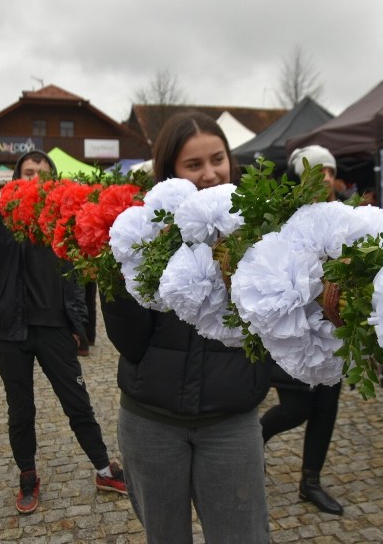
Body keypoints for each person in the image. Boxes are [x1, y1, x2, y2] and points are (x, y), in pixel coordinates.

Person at [101, 111, 272, 543]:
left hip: (230, 420)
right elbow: (131, 343)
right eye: (193, 165)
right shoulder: (146, 231)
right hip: (151, 420)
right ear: (170, 173)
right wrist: (115, 278)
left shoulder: (262, 229)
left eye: (218, 159)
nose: (211, 174)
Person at [0, 149, 126, 515]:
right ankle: (27, 475)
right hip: (10, 331)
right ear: (17, 176)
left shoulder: (60, 213)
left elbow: (77, 272)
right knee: (21, 410)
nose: (34, 179)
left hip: (53, 327)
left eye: (41, 174)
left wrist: (78, 325)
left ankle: (104, 469)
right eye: (28, 172)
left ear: (52, 180)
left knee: (78, 404)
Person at [261, 145, 344, 516]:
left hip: (333, 330)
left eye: (329, 170)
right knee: (296, 407)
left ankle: (310, 482)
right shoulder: (284, 215)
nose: (324, 177)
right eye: (317, 171)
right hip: (294, 327)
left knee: (326, 408)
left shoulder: (348, 216)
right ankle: (255, 439)